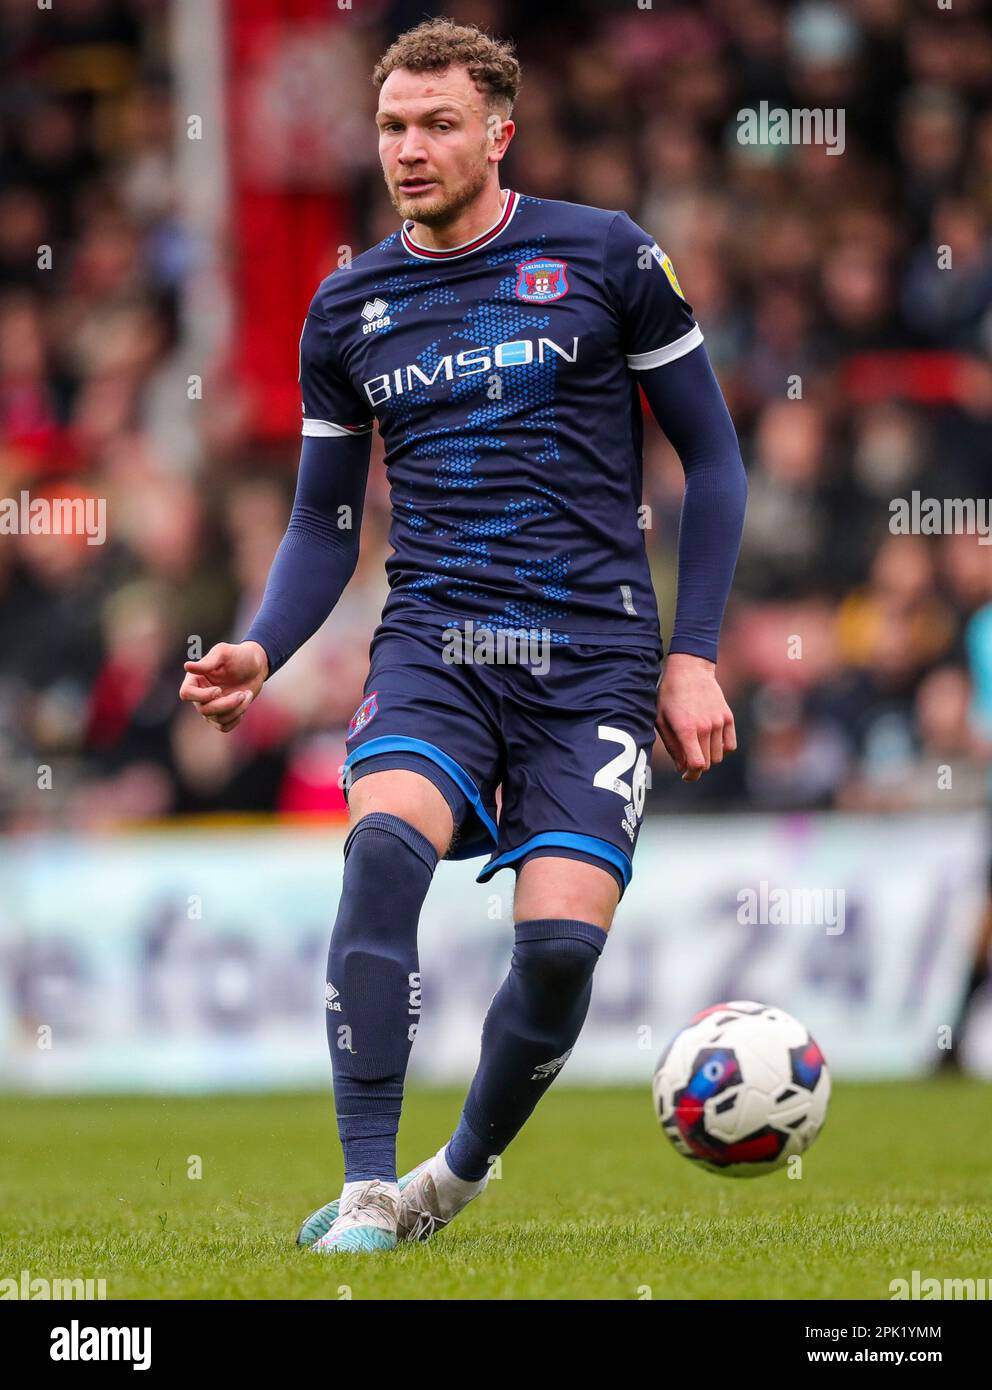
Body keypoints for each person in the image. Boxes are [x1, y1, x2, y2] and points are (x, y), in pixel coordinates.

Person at [178, 18, 747, 1254]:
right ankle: (370, 1183)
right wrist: (260, 650)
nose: (409, 148)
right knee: (379, 852)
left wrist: (690, 652)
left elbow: (712, 460)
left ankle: (451, 1179)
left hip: (592, 658)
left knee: (551, 950)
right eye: (390, 125)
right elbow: (323, 526)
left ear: (498, 132)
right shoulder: (348, 308)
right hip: (435, 642)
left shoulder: (607, 256)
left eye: (438, 124)